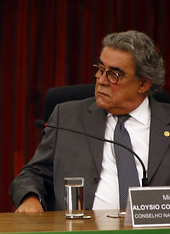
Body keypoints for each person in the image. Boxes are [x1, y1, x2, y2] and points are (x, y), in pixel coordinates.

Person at [10, 30, 170, 212]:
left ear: (143, 84)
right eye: (101, 69)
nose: (101, 80)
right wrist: (31, 198)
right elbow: (34, 174)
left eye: (114, 75)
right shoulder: (68, 118)